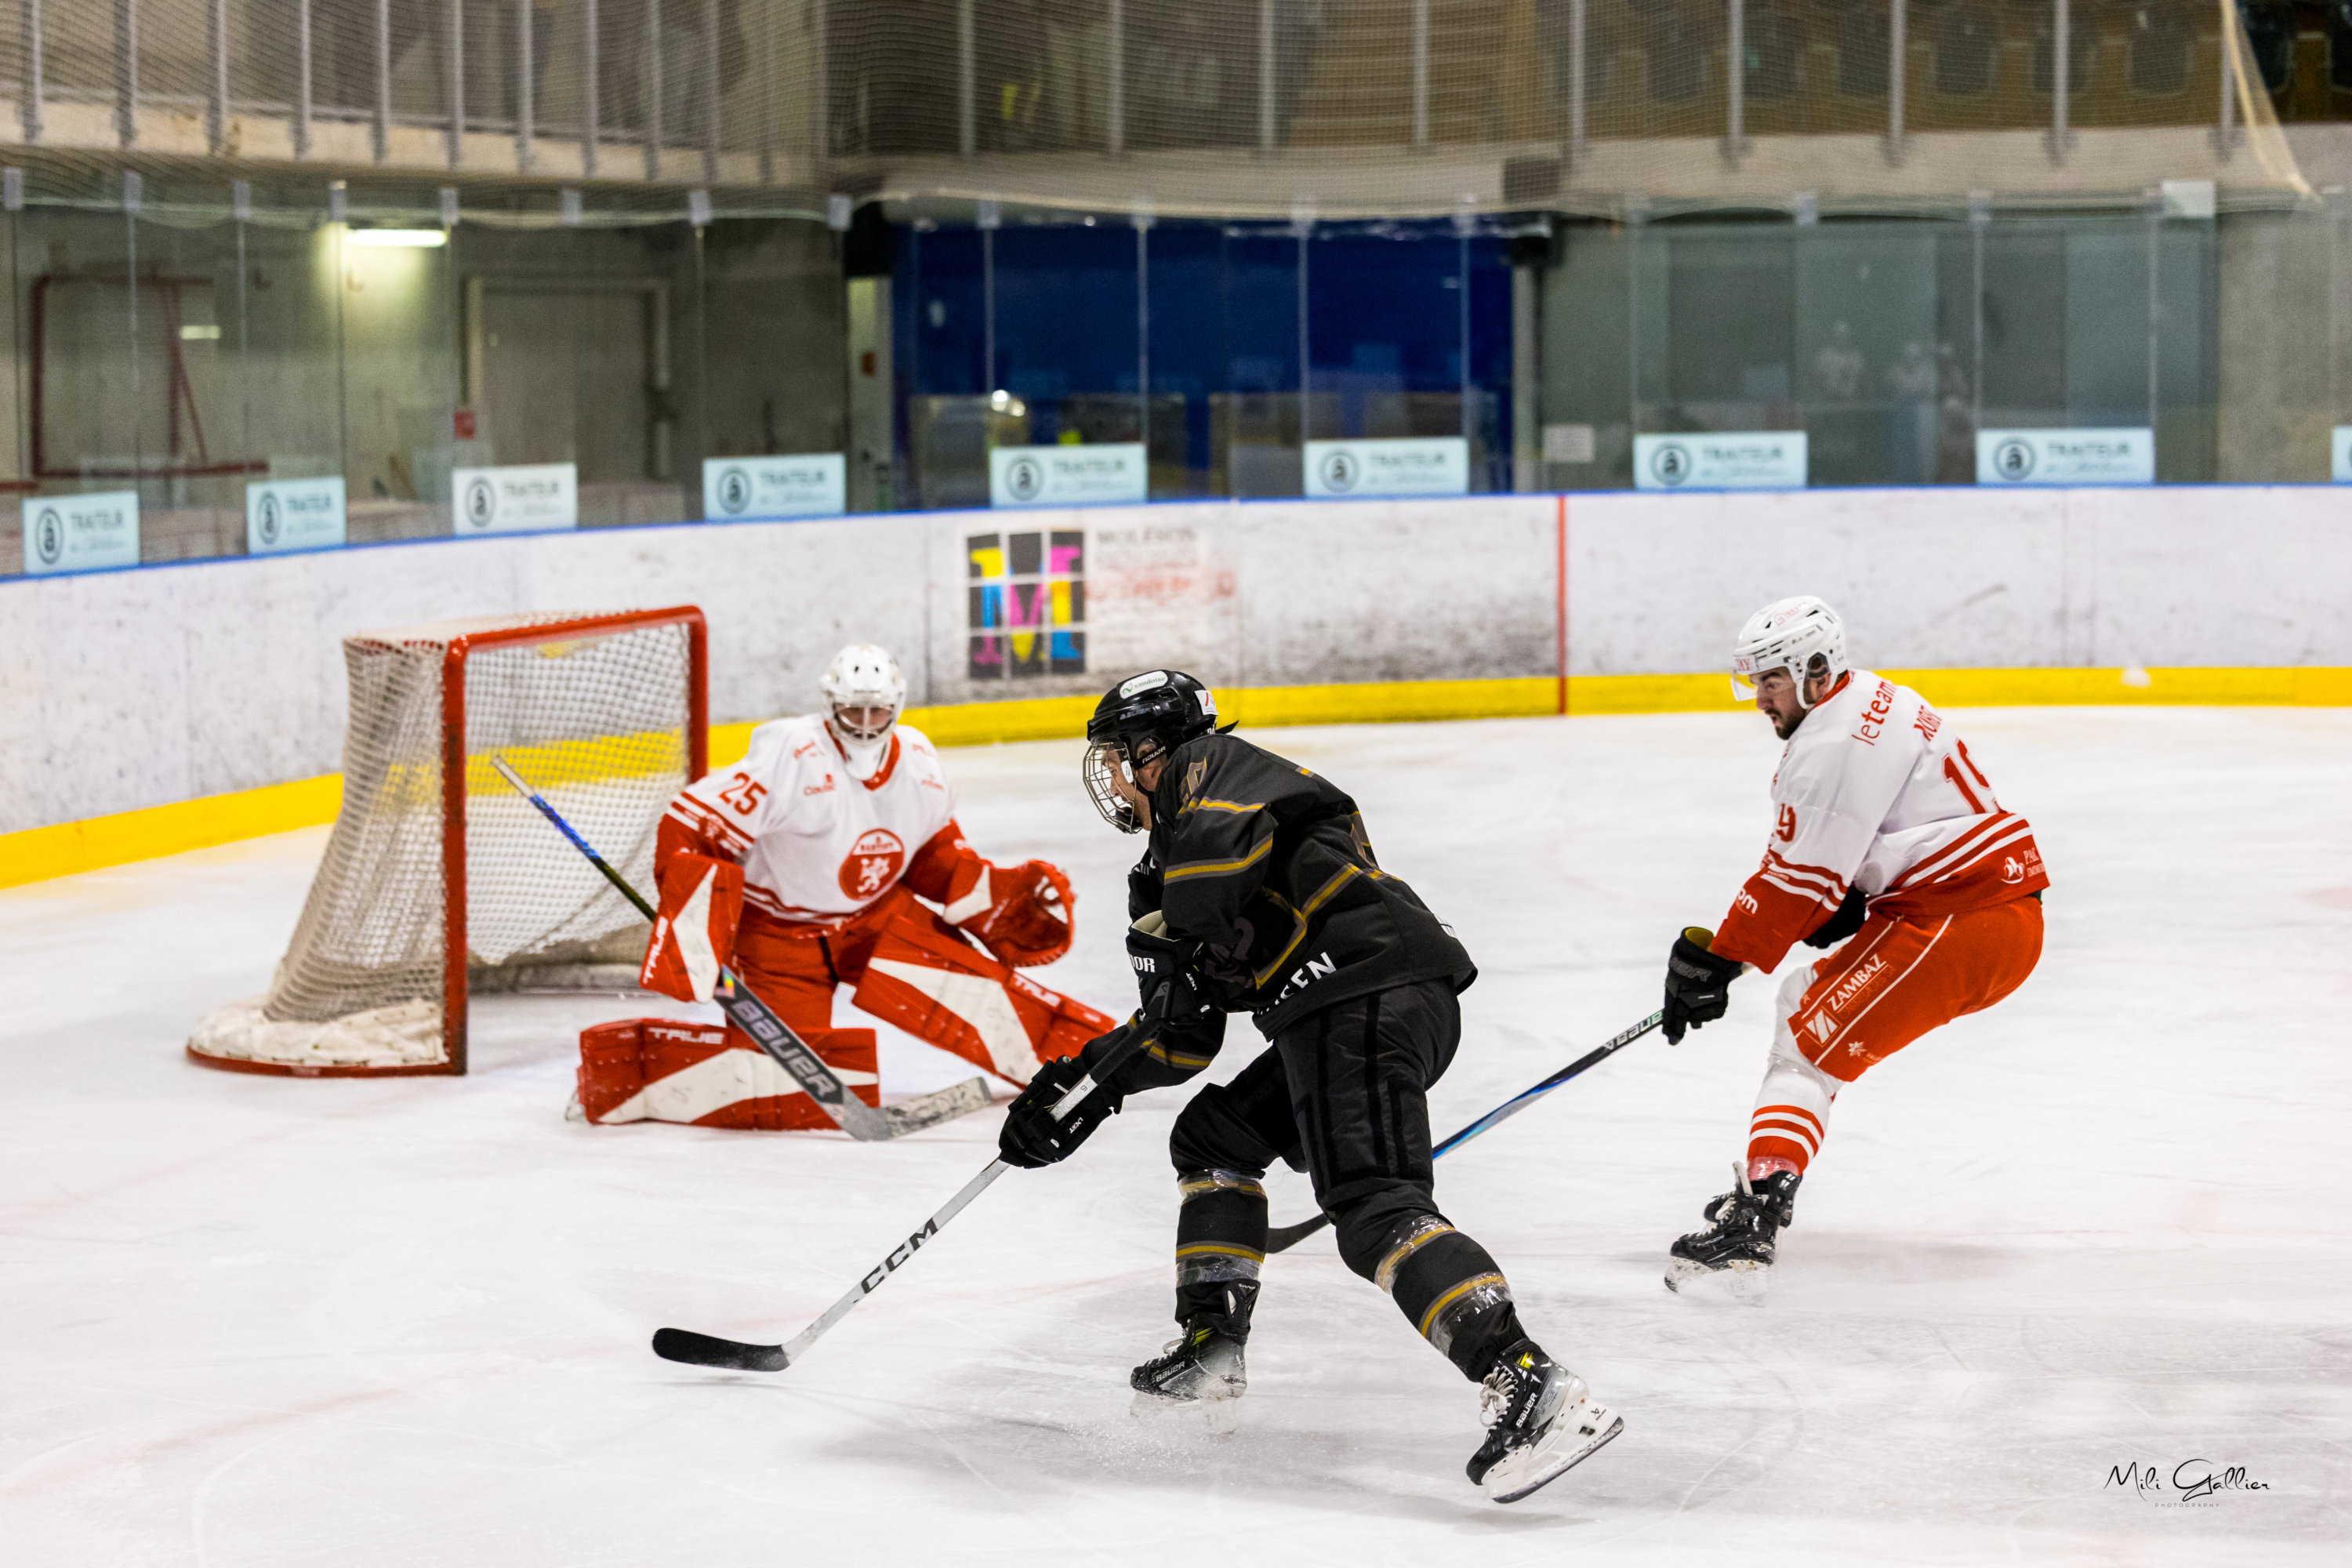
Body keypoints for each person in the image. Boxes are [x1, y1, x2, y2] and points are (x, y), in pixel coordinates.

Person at [995, 670, 1621, 1504]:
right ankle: (1212, 1347)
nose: (1110, 775)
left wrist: (1182, 942)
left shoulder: (1214, 770)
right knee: (1214, 1138)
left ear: (1154, 750)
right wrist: (1081, 1090)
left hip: (1364, 992)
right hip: (1343, 1009)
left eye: (1118, 755)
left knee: (1376, 1209)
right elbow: (1181, 1037)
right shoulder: (1162, 866)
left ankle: (1531, 1382)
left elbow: (1214, 875)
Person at [1658, 597, 2049, 1302]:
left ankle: (1755, 1221)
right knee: (1803, 1003)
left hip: (1961, 922)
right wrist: (1854, 890)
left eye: (1771, 681)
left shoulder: (1830, 747)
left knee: (1806, 1048)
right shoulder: (1873, 696)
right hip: (1978, 910)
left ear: (1814, 670)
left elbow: (1793, 883)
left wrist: (1716, 961)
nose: (1760, 699)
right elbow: (1884, 832)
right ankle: (1770, 1179)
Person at [634, 643, 1113, 1092]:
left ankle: (1098, 1067)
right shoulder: (790, 755)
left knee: (984, 1000)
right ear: (830, 705)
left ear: (896, 706)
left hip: (876, 920)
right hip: (778, 942)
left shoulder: (919, 762)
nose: (865, 724)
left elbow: (928, 852)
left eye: (877, 711)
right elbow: (690, 826)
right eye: (853, 711)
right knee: (782, 1086)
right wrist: (694, 925)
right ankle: (643, 1073)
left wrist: (987, 893)